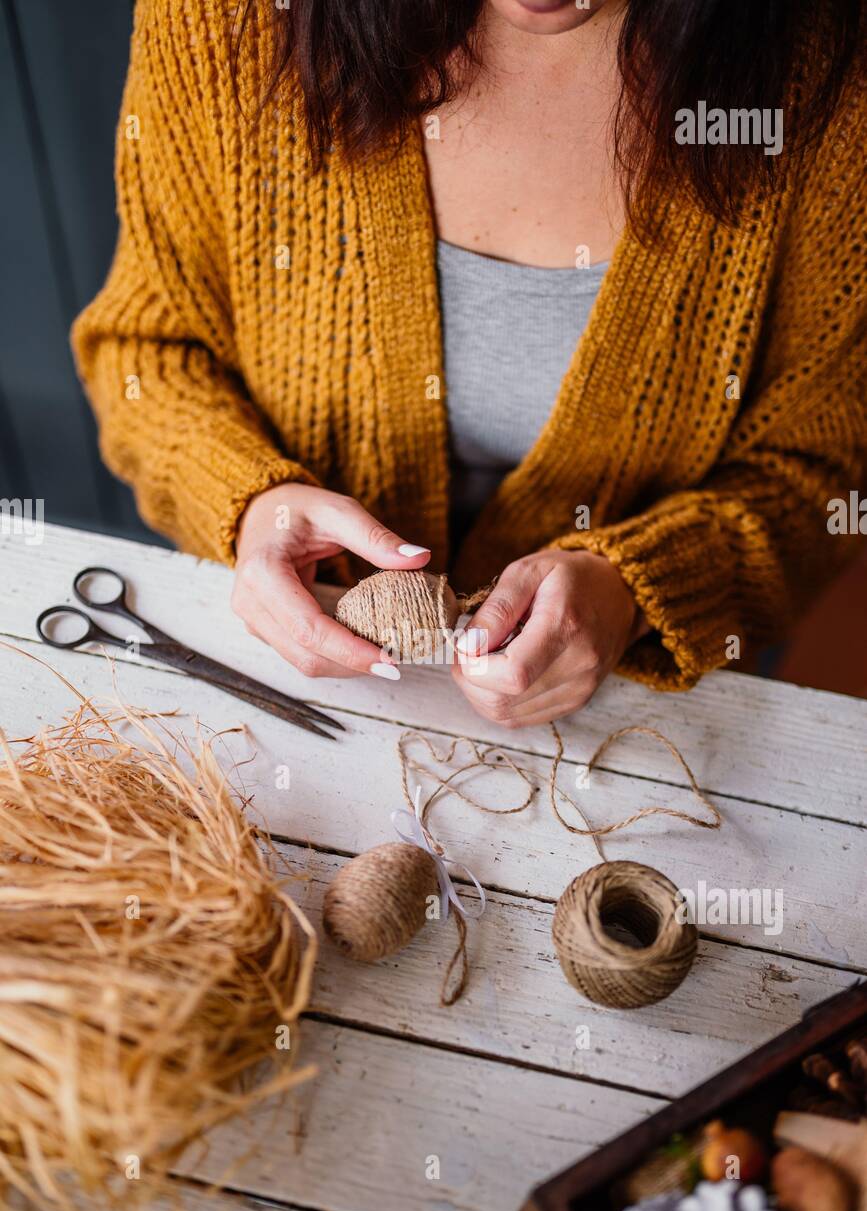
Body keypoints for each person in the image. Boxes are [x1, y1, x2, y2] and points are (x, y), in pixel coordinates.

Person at [74, 0, 866, 727]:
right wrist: (249, 504)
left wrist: (637, 589)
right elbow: (149, 352)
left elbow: (823, 470)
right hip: (281, 677)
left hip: (640, 708)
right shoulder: (229, 22)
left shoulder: (832, 78)